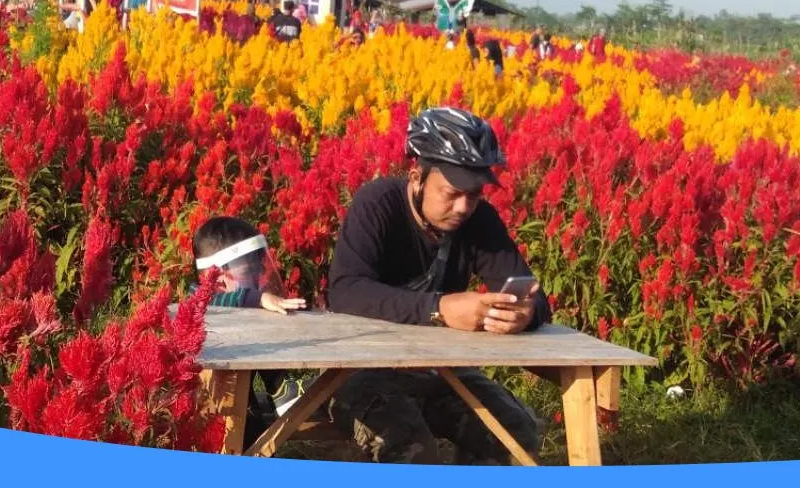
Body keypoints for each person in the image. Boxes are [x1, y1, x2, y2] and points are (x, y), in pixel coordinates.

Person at [326, 107, 551, 465]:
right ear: (417, 177)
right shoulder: (377, 204)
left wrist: (525, 314)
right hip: (362, 375)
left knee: (514, 433)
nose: (464, 206)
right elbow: (345, 290)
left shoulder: (480, 220)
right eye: (451, 192)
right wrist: (439, 308)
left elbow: (536, 299)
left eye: (475, 194)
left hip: (443, 373)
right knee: (413, 451)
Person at [190, 217, 313, 445]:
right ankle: (281, 389)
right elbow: (211, 301)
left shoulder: (237, 302)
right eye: (249, 268)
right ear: (217, 276)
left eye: (259, 266)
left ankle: (281, 388)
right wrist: (257, 298)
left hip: (243, 402)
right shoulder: (200, 301)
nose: (258, 275)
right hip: (215, 410)